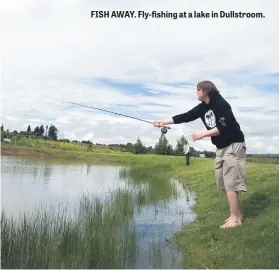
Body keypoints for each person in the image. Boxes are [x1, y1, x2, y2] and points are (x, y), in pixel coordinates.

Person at [153, 80, 247, 229]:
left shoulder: (221, 104)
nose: (196, 92)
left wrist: (203, 134)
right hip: (221, 148)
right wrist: (163, 122)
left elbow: (223, 126)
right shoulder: (203, 107)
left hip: (233, 145)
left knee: (231, 183)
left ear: (206, 91)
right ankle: (236, 214)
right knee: (222, 182)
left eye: (197, 90)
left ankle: (235, 219)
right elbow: (186, 116)